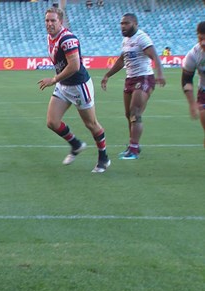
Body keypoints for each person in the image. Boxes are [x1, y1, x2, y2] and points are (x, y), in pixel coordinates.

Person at [37, 7, 110, 173]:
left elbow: (75, 66)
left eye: (53, 20)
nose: (49, 24)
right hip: (63, 85)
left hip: (78, 86)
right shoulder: (50, 37)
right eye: (47, 20)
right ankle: (76, 144)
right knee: (52, 122)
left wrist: (53, 79)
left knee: (91, 124)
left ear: (60, 21)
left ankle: (104, 158)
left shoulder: (68, 39)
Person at [101, 13, 166, 160]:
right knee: (128, 115)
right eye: (121, 24)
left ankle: (134, 149)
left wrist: (160, 73)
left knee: (135, 113)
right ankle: (133, 146)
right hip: (130, 79)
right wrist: (107, 75)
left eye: (126, 23)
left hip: (144, 78)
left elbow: (154, 55)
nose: (123, 26)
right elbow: (122, 59)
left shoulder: (142, 38)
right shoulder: (126, 40)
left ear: (135, 24)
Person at [181, 21, 205, 148]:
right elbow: (186, 80)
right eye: (200, 38)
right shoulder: (193, 54)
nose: (203, 43)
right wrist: (191, 103)